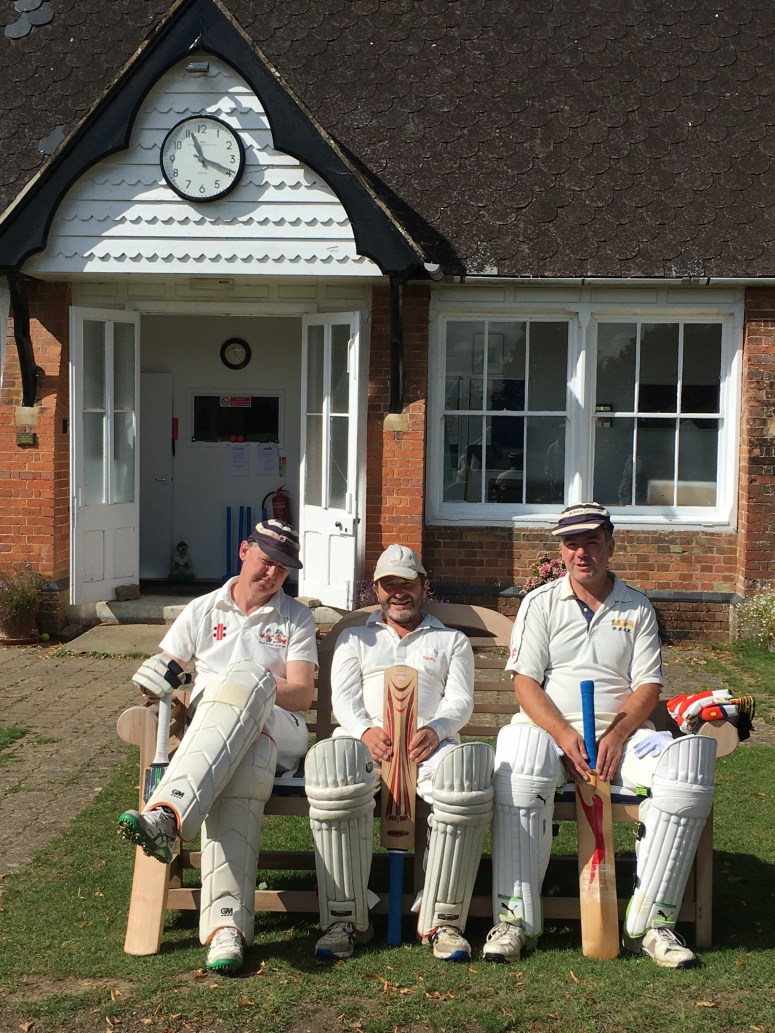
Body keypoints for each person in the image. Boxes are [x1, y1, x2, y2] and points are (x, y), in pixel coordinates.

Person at [484, 502, 716, 968]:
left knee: (687, 768)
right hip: (549, 732)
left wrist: (616, 736)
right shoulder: (540, 603)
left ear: (610, 545)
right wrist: (563, 734)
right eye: (572, 544)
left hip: (623, 737)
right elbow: (525, 682)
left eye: (591, 542)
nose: (581, 553)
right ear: (561, 552)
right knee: (521, 761)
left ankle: (653, 925)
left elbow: (648, 686)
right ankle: (514, 921)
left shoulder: (637, 606)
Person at [116, 519, 317, 974]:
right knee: (243, 764)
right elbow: (165, 669)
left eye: (283, 569)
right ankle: (227, 929)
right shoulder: (204, 608)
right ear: (244, 551)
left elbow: (302, 694)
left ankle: (168, 813)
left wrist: (248, 684)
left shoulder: (296, 617)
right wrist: (150, 681)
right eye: (266, 561)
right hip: (224, 746)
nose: (272, 574)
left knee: (244, 679)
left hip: (281, 729)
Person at [305, 544, 494, 962]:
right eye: (388, 585)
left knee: (463, 779)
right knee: (334, 770)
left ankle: (443, 920)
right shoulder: (356, 637)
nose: (398, 593)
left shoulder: (451, 641)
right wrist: (365, 731)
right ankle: (346, 919)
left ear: (425, 586)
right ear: (376, 590)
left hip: (429, 745)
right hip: (366, 742)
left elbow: (459, 702)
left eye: (407, 584)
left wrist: (436, 731)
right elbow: (344, 699)